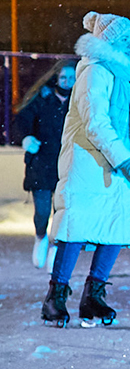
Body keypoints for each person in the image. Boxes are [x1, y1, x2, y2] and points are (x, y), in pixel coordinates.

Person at [41, 12, 130, 328]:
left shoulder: (123, 76)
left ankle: (93, 295)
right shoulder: (94, 72)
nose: (129, 45)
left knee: (116, 227)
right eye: (123, 39)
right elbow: (96, 123)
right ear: (108, 41)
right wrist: (125, 160)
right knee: (76, 226)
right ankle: (55, 297)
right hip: (88, 161)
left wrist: (126, 158)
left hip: (115, 160)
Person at [13, 60, 75, 269]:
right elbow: (20, 122)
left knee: (61, 212)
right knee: (42, 211)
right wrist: (26, 138)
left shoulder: (78, 103)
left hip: (67, 166)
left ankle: (55, 247)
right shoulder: (42, 99)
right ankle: (40, 237)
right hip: (41, 165)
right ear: (56, 78)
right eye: (63, 77)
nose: (67, 82)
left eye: (71, 78)